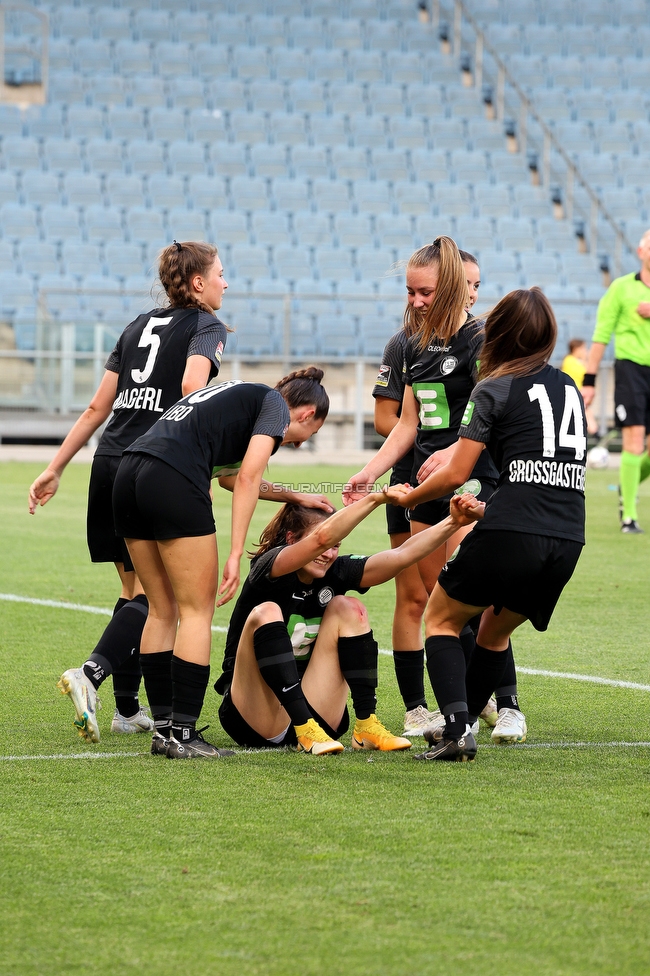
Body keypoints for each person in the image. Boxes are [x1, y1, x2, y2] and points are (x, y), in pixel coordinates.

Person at [28, 241, 229, 743]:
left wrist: (55, 467)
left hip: (110, 461)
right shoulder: (206, 326)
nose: (228, 283)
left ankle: (126, 709)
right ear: (199, 283)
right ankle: (91, 674)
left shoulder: (137, 325)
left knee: (134, 592)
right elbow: (190, 389)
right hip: (158, 464)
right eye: (222, 274)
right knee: (166, 602)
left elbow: (98, 407)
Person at [385, 287, 587, 761]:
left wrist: (409, 496)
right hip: (567, 537)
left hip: (512, 529)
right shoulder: (570, 388)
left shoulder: (492, 388)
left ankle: (456, 731)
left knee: (439, 618)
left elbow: (456, 472)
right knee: (495, 633)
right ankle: (466, 726)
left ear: (499, 334)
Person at [348, 238, 524, 743]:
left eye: (424, 292)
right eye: (410, 291)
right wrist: (369, 471)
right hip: (426, 485)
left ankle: (506, 704)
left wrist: (458, 452)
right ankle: (458, 709)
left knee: (475, 594)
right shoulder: (407, 344)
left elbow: (501, 416)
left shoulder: (483, 340)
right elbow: (405, 424)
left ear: (449, 288)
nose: (415, 301)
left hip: (475, 475)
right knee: (437, 598)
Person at [112, 368, 331, 760]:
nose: (298, 444)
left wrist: (294, 495)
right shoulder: (275, 407)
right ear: (306, 414)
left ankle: (165, 732)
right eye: (308, 436)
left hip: (129, 471)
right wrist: (235, 552)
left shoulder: (242, 394)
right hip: (172, 476)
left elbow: (229, 478)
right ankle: (184, 732)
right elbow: (247, 478)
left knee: (162, 611)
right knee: (197, 611)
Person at [214, 488, 484, 755]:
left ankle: (366, 723)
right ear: (290, 538)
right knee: (266, 612)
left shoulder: (334, 571)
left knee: (348, 607)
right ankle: (304, 726)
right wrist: (375, 498)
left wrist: (453, 523)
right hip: (253, 717)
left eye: (337, 545)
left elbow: (402, 556)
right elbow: (320, 539)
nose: (329, 553)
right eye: (326, 543)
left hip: (317, 712)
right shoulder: (268, 566)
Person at [581, 229, 650, 533]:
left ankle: (628, 484)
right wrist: (589, 380)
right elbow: (600, 336)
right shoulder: (621, 289)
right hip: (631, 370)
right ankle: (629, 517)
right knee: (634, 440)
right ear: (640, 252)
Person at [561, 339, 598, 436]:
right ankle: (596, 435)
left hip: (580, 394)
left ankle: (595, 434)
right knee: (586, 414)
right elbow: (583, 374)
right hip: (573, 394)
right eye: (582, 348)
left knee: (586, 414)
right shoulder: (569, 360)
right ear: (575, 349)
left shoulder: (579, 362)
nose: (585, 351)